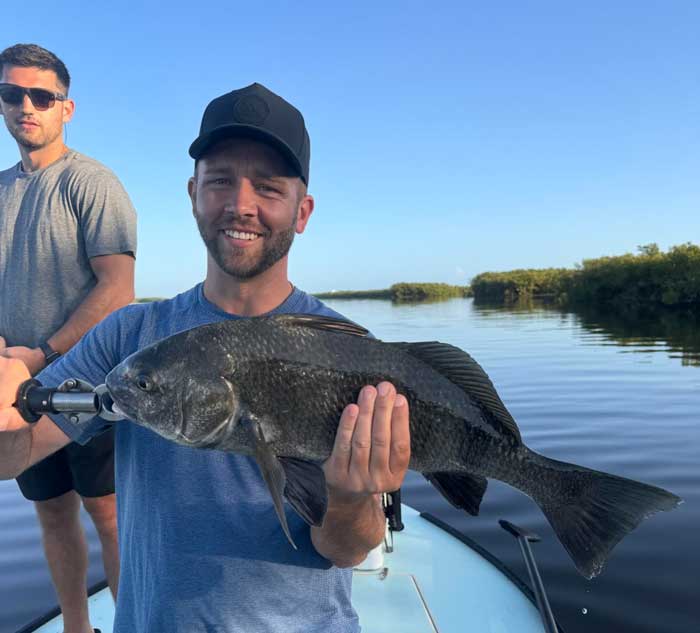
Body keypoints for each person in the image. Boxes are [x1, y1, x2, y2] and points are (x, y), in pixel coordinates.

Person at [0, 82, 410, 632]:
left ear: (302, 211)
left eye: (268, 187)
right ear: (193, 192)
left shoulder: (350, 352)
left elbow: (345, 550)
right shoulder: (129, 337)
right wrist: (7, 418)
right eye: (220, 181)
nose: (241, 205)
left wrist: (351, 496)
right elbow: (16, 455)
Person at [0, 44, 137, 633]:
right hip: (18, 388)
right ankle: (78, 628)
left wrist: (43, 354)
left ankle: (132, 622)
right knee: (51, 515)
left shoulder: (92, 183)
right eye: (12, 94)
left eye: (41, 96)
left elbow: (118, 288)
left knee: (108, 514)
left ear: (66, 108)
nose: (25, 106)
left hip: (90, 385)